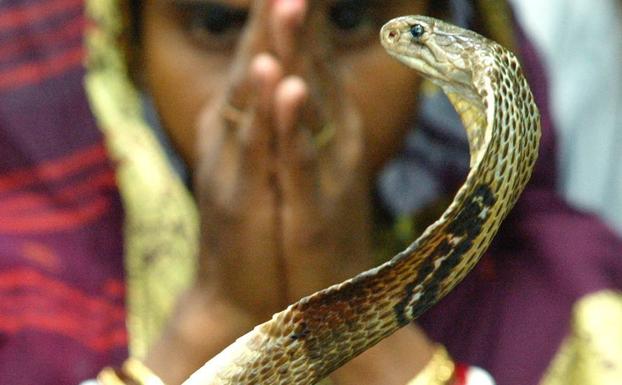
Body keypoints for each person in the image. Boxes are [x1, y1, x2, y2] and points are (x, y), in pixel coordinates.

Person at [0, 1, 620, 385]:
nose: (285, 74)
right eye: (217, 22)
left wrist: (358, 315)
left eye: (348, 18)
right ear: (129, 49)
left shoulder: (579, 312)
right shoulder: (21, 308)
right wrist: (218, 313)